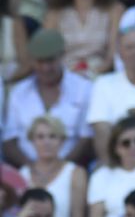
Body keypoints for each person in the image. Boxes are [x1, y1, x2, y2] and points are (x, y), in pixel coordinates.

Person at [4, 32, 90, 169]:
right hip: (27, 171)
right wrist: (33, 169)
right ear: (32, 61)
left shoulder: (83, 88)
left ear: (62, 56)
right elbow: (9, 140)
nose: (45, 68)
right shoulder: (18, 92)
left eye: (50, 60)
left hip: (71, 169)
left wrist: (60, 170)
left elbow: (86, 138)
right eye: (40, 61)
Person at [45, 0, 120, 79]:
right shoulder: (55, 14)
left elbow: (113, 55)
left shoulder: (114, 10)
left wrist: (91, 74)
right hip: (64, 77)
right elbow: (48, 53)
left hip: (101, 76)